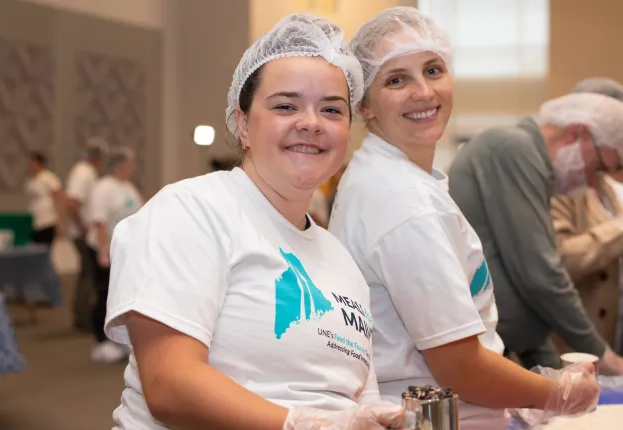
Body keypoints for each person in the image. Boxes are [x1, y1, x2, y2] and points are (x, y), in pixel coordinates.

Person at [103, 13, 408, 430]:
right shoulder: (191, 211)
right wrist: (303, 424)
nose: (311, 123)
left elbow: (356, 395)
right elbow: (168, 383)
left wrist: (369, 417)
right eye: (286, 105)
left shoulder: (340, 259)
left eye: (332, 110)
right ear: (243, 123)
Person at [328, 7, 600, 429]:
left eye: (433, 70)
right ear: (363, 104)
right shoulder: (402, 201)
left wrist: (517, 394)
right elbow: (459, 366)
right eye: (396, 79)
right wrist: (558, 394)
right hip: (438, 416)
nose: (423, 92)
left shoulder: (394, 179)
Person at [447, 84, 623, 375]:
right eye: (600, 167)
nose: (593, 183)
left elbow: (524, 278)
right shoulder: (514, 149)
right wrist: (601, 353)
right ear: (576, 133)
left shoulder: (523, 155)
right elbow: (541, 273)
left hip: (506, 343)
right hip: (484, 346)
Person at [551, 78, 623, 352]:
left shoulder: (606, 186)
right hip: (570, 352)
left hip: (608, 345)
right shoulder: (559, 187)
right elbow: (560, 260)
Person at [86, 147, 141, 363]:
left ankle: (119, 341)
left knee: (123, 295)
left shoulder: (127, 187)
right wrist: (102, 251)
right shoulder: (103, 188)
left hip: (124, 251)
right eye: (130, 163)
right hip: (104, 249)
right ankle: (100, 342)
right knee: (103, 295)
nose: (132, 168)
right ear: (121, 165)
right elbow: (98, 221)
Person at [65, 138, 109, 331]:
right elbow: (73, 202)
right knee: (88, 274)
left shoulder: (85, 172)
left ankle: (84, 315)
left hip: (83, 229)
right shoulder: (84, 173)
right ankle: (83, 317)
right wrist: (83, 228)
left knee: (87, 273)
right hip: (83, 231)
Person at [25, 152, 64, 247]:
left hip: (47, 219)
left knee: (45, 246)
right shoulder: (31, 180)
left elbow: (58, 196)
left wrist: (59, 220)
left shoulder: (48, 177)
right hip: (35, 219)